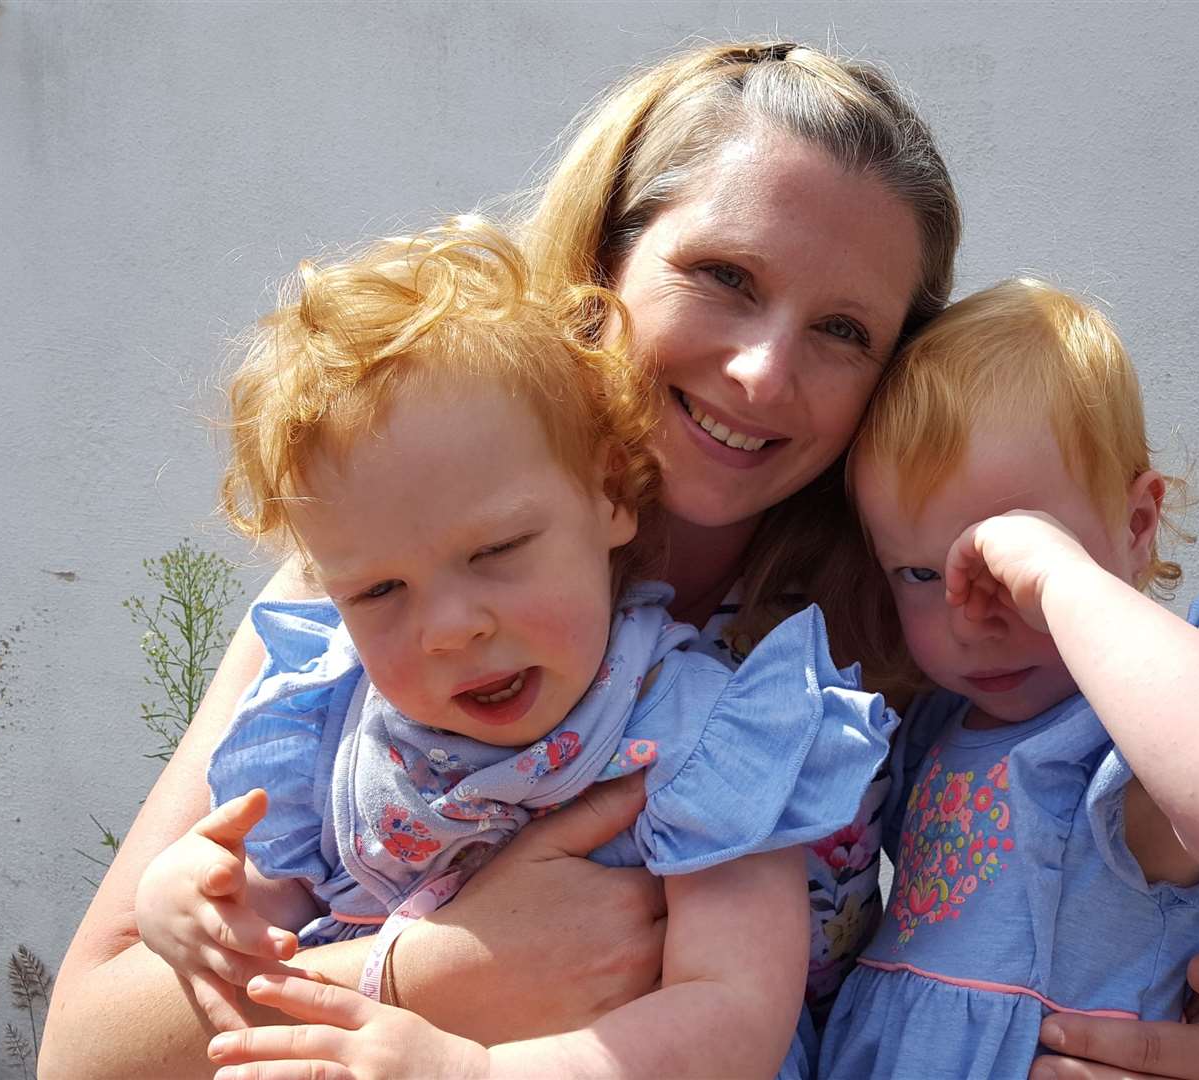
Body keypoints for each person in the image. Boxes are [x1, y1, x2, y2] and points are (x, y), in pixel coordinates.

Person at [45, 41, 1199, 1080]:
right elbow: (85, 1052)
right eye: (724, 276)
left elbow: (1099, 870)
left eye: (843, 331)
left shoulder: (903, 617)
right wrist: (434, 968)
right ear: (603, 267)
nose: (761, 373)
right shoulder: (389, 573)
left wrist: (1189, 1036)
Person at [130, 216, 892, 1077]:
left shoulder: (702, 735)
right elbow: (263, 922)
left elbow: (733, 1020)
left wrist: (477, 1073)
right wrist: (184, 897)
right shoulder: (339, 730)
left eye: (494, 552)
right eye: (380, 591)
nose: (451, 627)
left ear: (609, 493)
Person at [818, 280, 1199, 1077]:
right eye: (918, 573)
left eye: (1012, 565)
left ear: (1137, 525)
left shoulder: (1122, 749)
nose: (973, 618)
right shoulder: (935, 730)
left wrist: (1061, 582)